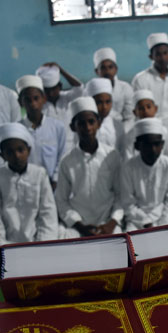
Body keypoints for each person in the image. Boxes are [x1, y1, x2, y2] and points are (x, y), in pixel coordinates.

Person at [0, 123, 57, 256]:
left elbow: (48, 213)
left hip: (38, 241)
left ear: (28, 150)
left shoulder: (39, 174)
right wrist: (3, 249)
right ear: (2, 155)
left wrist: (43, 245)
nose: (17, 155)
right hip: (8, 244)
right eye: (10, 152)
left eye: (20, 150)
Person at [56, 97, 123, 238]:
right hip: (79, 224)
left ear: (99, 123)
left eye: (91, 122)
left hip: (107, 221)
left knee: (118, 241)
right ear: (73, 127)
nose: (87, 128)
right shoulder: (67, 161)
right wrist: (79, 226)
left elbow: (121, 194)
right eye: (81, 123)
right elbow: (61, 201)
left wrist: (112, 222)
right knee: (65, 238)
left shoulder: (112, 156)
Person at [120, 118, 168, 231]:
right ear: (137, 146)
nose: (153, 149)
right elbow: (128, 204)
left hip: (165, 215)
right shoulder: (128, 168)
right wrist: (146, 221)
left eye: (156, 144)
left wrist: (160, 222)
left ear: (162, 145)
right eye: (147, 145)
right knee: (131, 236)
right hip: (137, 220)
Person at [16, 74, 67, 188]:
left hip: (54, 186)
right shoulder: (18, 130)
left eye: (36, 98)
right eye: (27, 100)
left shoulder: (57, 127)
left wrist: (55, 180)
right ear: (20, 102)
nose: (33, 104)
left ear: (44, 99)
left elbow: (62, 156)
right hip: (26, 186)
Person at [132, 33, 168, 121]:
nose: (163, 58)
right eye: (158, 54)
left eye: (165, 53)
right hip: (152, 125)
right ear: (151, 57)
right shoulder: (140, 79)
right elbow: (139, 109)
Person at [36, 63, 84, 146]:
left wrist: (60, 70)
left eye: (53, 89)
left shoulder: (67, 97)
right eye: (47, 90)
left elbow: (79, 88)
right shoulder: (39, 105)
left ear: (60, 86)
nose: (51, 94)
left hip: (71, 147)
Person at [121, 89, 168, 160]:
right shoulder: (131, 134)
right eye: (140, 108)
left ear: (155, 109)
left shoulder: (164, 131)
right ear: (135, 112)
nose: (145, 111)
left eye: (148, 107)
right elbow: (128, 156)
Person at [93, 47, 134, 124]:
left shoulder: (125, 88)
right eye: (103, 68)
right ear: (96, 71)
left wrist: (121, 130)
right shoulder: (91, 90)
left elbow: (129, 117)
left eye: (110, 67)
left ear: (116, 69)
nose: (107, 71)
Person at [86, 77, 124, 153]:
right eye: (99, 102)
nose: (104, 107)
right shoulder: (83, 126)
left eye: (108, 102)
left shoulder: (117, 125)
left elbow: (122, 152)